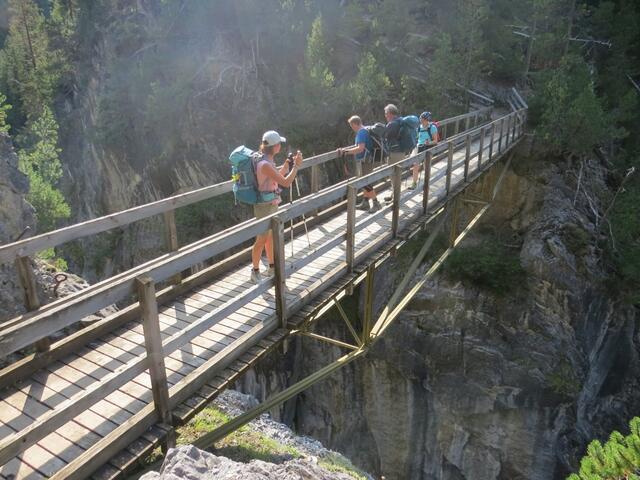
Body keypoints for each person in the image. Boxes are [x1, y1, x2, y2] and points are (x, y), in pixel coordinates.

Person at [250, 130, 303, 284]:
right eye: (279, 143)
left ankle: (272, 267)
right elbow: (285, 183)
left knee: (270, 237)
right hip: (264, 206)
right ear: (275, 146)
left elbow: (274, 179)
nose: (280, 146)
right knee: (261, 238)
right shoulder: (265, 164)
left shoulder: (266, 160)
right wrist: (296, 167)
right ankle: (255, 271)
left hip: (270, 203)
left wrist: (286, 167)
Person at [337, 116, 382, 214]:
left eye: (351, 125)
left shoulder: (361, 133)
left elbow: (360, 148)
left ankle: (376, 203)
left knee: (366, 183)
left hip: (364, 161)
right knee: (365, 182)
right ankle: (365, 202)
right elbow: (358, 146)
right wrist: (346, 150)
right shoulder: (365, 130)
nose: (352, 128)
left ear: (354, 124)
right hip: (368, 160)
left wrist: (346, 152)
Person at [383, 104, 413, 201]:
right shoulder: (400, 121)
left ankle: (396, 198)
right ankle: (394, 195)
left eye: (386, 113)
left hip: (394, 153)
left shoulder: (392, 124)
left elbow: (385, 136)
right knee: (397, 175)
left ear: (390, 113)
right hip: (401, 152)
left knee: (393, 175)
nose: (385, 115)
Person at [408, 111, 439, 190]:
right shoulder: (419, 127)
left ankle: (427, 183)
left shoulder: (432, 127)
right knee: (415, 165)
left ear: (427, 120)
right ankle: (414, 184)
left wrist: (428, 143)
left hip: (428, 148)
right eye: (420, 119)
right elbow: (417, 138)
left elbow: (435, 141)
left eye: (423, 119)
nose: (421, 120)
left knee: (426, 166)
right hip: (419, 148)